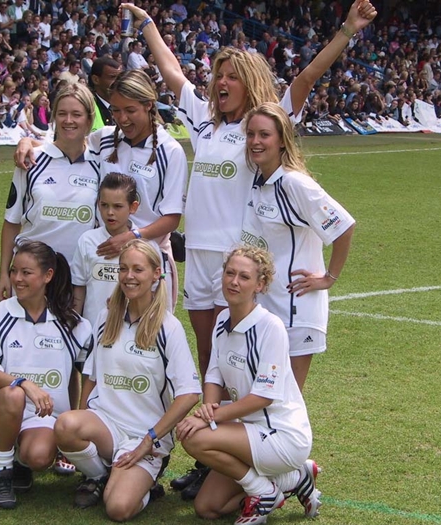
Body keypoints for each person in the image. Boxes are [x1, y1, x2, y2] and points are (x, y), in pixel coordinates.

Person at [120, 0, 375, 498]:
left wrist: (346, 31)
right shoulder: (203, 122)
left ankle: (251, 466)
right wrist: (148, 26)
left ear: (250, 82)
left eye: (231, 76)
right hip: (199, 258)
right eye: (218, 74)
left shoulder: (261, 126)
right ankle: (215, 456)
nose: (221, 83)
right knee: (213, 361)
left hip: (241, 264)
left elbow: (303, 81)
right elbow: (171, 73)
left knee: (252, 366)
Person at [54, 240, 201, 520]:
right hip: (107, 424)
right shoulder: (105, 316)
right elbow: (92, 375)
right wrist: (83, 414)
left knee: (118, 508)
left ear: (156, 274)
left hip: (144, 435)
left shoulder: (168, 327)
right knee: (65, 425)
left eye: (138, 269)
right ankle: (101, 475)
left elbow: (189, 394)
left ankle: (143, 484)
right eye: (123, 269)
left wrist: (150, 439)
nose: (129, 276)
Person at [16, 69, 188, 309]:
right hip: (103, 258)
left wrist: (131, 237)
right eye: (116, 110)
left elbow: (171, 218)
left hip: (146, 258)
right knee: (100, 329)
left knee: (146, 335)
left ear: (149, 105)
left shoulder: (170, 152)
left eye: (130, 110)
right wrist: (28, 142)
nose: (122, 118)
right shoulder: (104, 139)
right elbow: (66, 143)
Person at [176, 246, 320, 525]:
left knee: (194, 437)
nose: (234, 282)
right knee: (207, 507)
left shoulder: (271, 327)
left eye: (244, 277)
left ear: (260, 285)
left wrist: (211, 418)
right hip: (248, 432)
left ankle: (263, 490)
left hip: (282, 435)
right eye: (230, 273)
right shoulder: (221, 320)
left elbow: (263, 398)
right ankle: (292, 479)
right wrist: (207, 408)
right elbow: (213, 375)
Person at [241, 102, 355, 391]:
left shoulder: (295, 184)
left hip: (296, 308)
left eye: (264, 135)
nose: (256, 142)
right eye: (251, 134)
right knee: (263, 394)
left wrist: (329, 278)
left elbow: (344, 226)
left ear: (282, 140)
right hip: (268, 303)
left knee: (286, 399)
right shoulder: (259, 180)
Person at [0, 240, 92, 509]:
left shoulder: (74, 324)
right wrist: (25, 383)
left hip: (42, 418)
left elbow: (87, 376)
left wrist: (78, 416)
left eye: (26, 273)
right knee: (14, 394)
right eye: (14, 271)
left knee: (38, 457)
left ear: (48, 276)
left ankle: (20, 461)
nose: (17, 279)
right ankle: (0, 473)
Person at [0, 82, 99, 302]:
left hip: (79, 279)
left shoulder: (100, 165)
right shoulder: (31, 159)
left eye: (76, 114)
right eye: (62, 113)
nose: (68, 120)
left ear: (89, 120)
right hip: (31, 277)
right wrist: (4, 272)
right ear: (53, 117)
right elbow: (12, 221)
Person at [71, 172, 163, 327]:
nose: (110, 212)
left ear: (133, 207)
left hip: (133, 335)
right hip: (94, 333)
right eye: (104, 205)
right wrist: (75, 326)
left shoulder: (148, 246)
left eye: (118, 206)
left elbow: (155, 295)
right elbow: (79, 290)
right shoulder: (87, 240)